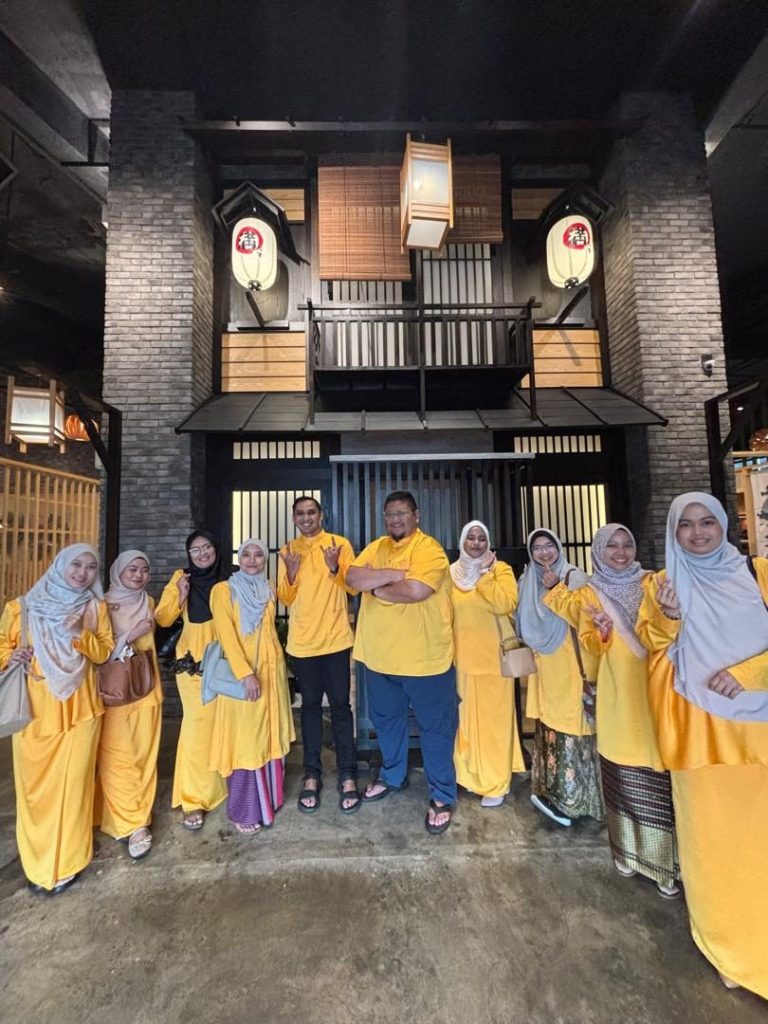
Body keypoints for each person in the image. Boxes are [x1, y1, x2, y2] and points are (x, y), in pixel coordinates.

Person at [637, 493, 768, 997]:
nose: (697, 533)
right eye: (686, 525)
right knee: (713, 849)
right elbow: (652, 646)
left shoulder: (757, 573)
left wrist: (749, 674)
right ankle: (728, 949)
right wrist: (669, 617)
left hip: (758, 730)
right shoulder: (663, 585)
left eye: (707, 522)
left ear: (723, 525)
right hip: (701, 732)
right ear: (673, 532)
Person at [544, 523, 680, 898]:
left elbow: (673, 629)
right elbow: (589, 642)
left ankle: (665, 864)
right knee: (622, 774)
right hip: (617, 693)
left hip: (657, 690)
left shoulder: (653, 583)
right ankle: (628, 854)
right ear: (598, 552)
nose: (620, 553)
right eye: (612, 547)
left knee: (660, 775)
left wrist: (671, 612)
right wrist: (602, 631)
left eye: (626, 545)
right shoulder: (590, 592)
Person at [0, 543, 113, 893]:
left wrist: (81, 633)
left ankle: (69, 861)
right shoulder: (22, 607)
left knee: (75, 786)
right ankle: (39, 864)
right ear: (60, 565)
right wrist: (10, 656)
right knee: (36, 791)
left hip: (82, 708)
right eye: (76, 564)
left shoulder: (94, 607)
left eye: (90, 567)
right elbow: (2, 645)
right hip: (37, 711)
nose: (82, 573)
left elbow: (104, 652)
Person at [346, 491, 457, 835]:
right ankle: (392, 775)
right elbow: (353, 579)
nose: (395, 519)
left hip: (425, 660)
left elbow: (417, 591)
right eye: (390, 514)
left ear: (416, 515)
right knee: (387, 721)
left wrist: (377, 588)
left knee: (435, 729)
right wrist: (395, 573)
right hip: (379, 658)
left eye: (402, 513)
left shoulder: (429, 549)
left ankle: (442, 795)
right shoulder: (377, 547)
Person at [277, 496, 359, 814]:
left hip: (336, 641)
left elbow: (353, 588)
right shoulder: (288, 550)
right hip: (303, 643)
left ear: (321, 515)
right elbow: (284, 597)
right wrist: (291, 574)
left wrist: (335, 567)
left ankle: (348, 774)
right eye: (300, 513)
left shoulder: (339, 544)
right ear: (294, 518)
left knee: (341, 708)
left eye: (311, 512)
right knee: (309, 709)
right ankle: (311, 774)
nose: (306, 517)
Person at [516, 529, 604, 826]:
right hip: (545, 669)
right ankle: (550, 793)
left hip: (570, 669)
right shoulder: (528, 580)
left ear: (558, 548)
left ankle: (573, 804)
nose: (544, 552)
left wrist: (556, 588)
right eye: (537, 548)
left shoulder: (575, 577)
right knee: (550, 728)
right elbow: (520, 617)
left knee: (572, 730)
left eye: (549, 546)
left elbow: (584, 617)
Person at [209, 539, 295, 835]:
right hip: (243, 676)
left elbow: (273, 625)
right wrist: (245, 674)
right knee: (246, 740)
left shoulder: (267, 588)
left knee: (269, 732)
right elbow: (227, 635)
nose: (252, 560)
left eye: (259, 555)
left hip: (271, 673)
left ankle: (269, 799)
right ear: (239, 557)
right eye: (246, 554)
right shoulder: (224, 590)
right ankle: (244, 810)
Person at [155, 529, 228, 830]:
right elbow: (162, 618)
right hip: (193, 663)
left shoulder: (229, 576)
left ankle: (223, 786)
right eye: (195, 550)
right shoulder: (181, 577)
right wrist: (181, 595)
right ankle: (193, 797)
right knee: (197, 727)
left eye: (206, 547)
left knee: (224, 724)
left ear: (216, 549)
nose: (202, 554)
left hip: (226, 661)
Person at [450, 520, 525, 806]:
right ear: (462, 541)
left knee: (494, 725)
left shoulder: (500, 570)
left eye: (482, 538)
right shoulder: (451, 574)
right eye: (471, 538)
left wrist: (484, 575)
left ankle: (495, 783)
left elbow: (505, 604)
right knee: (466, 723)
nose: (476, 543)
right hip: (462, 661)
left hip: (495, 662)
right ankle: (469, 778)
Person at [96, 550, 163, 860]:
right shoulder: (102, 605)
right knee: (118, 758)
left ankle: (141, 816)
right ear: (118, 572)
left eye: (144, 570)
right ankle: (132, 824)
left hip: (147, 688)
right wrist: (130, 635)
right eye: (132, 569)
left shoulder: (148, 602)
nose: (138, 575)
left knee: (145, 756)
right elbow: (97, 652)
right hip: (117, 694)